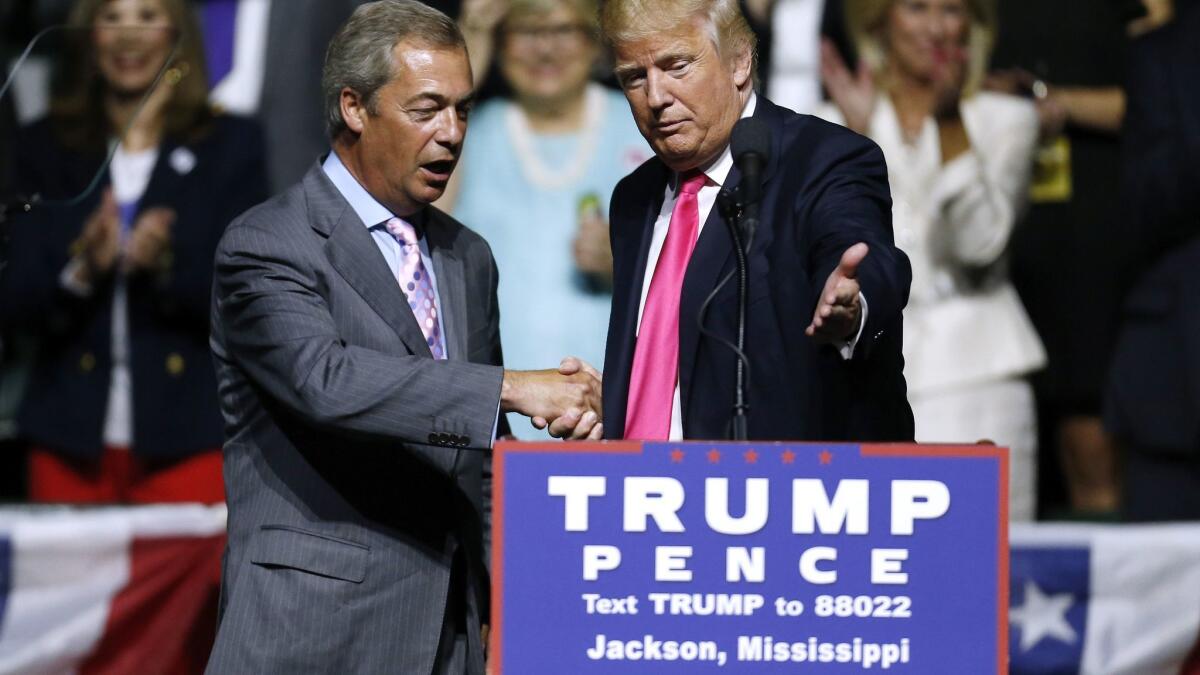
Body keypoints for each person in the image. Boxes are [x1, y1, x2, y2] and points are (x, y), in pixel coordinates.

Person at [205, 2, 601, 672]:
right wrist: (509, 388)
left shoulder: (466, 256)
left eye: (464, 109)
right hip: (314, 634)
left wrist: (499, 599)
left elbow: (478, 454)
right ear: (355, 107)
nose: (451, 133)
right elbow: (326, 382)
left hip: (448, 635)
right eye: (427, 109)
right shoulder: (268, 244)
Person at [599, 0, 914, 443]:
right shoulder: (633, 199)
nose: (655, 97)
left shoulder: (823, 159)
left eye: (677, 66)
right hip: (639, 494)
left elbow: (863, 252)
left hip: (793, 491)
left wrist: (852, 306)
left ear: (739, 62)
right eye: (635, 76)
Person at [0, 0, 266, 505]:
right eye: (112, 17)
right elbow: (14, 300)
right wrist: (82, 269)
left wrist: (165, 263)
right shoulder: (42, 146)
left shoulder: (231, 143)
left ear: (177, 34)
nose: (129, 35)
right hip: (67, 441)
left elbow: (249, 297)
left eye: (147, 17)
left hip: (189, 439)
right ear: (89, 35)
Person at [816, 0, 1045, 519]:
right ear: (880, 21)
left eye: (952, 9)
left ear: (973, 24)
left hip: (979, 374)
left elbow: (978, 245)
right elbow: (864, 245)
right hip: (871, 374)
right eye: (917, 8)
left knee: (989, 572)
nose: (937, 27)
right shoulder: (837, 122)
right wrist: (860, 139)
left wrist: (949, 123)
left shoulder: (1005, 120)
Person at [444, 0, 649, 439]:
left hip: (618, 419)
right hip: (491, 419)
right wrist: (471, 44)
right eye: (526, 32)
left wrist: (630, 261)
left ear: (596, 41)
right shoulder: (463, 133)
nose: (545, 49)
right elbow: (417, 233)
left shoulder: (644, 125)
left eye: (563, 30)